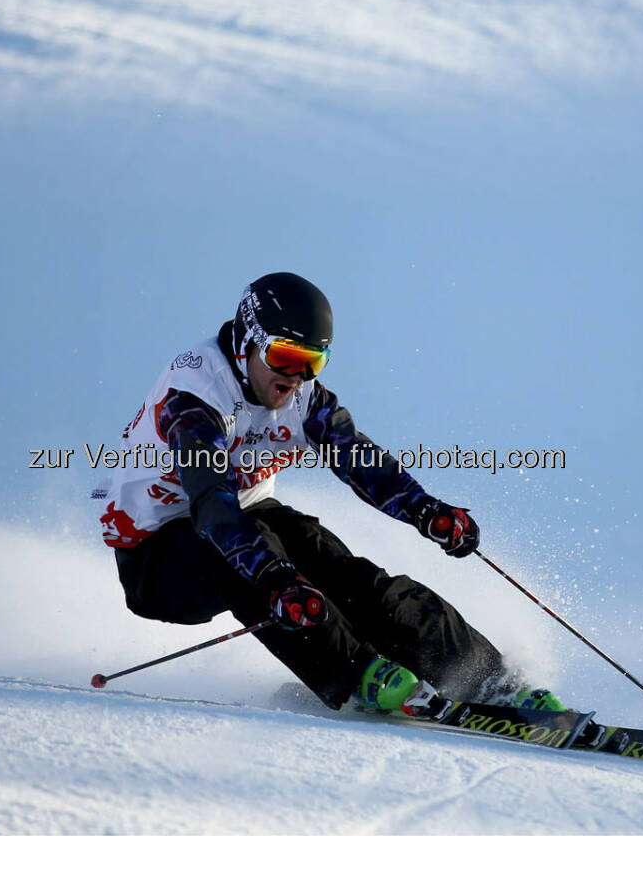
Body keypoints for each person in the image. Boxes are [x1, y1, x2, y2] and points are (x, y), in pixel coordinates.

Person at [95, 272, 564, 714]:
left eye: (312, 362)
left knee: (349, 575)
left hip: (249, 515)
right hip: (157, 557)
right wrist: (275, 579)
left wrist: (427, 512)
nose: (296, 376)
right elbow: (213, 506)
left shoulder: (304, 398)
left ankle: (487, 680)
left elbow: (357, 458)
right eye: (284, 357)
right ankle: (359, 677)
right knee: (262, 566)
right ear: (246, 343)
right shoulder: (193, 399)